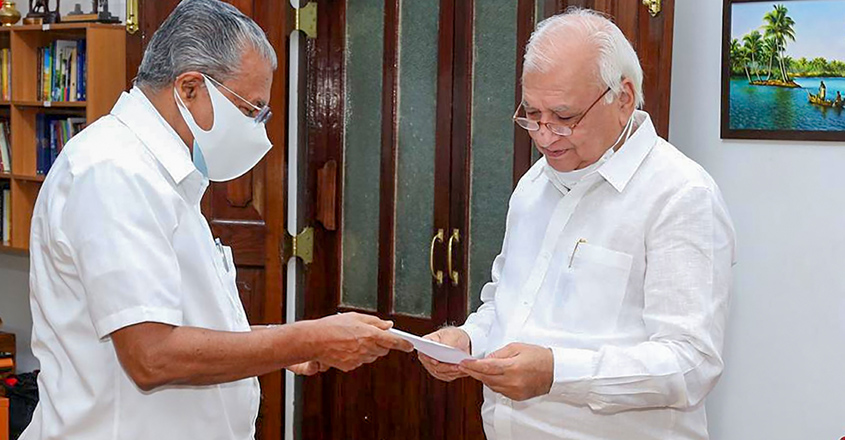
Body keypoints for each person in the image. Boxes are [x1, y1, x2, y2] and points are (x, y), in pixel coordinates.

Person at [22, 1, 412, 439]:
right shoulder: (113, 171)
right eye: (249, 110)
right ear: (190, 88)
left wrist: (283, 346)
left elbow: (187, 325)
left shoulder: (164, 175)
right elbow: (151, 355)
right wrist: (306, 339)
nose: (257, 130)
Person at [418, 9, 735, 440]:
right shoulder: (534, 184)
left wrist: (557, 373)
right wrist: (469, 339)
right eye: (532, 114)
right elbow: (509, 303)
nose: (544, 136)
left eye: (564, 117)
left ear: (623, 98)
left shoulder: (680, 195)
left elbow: (690, 365)